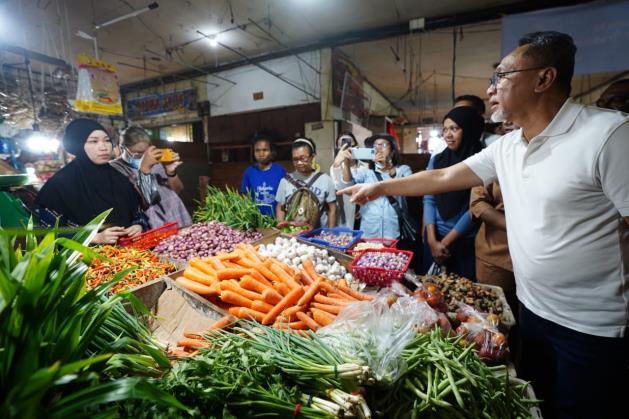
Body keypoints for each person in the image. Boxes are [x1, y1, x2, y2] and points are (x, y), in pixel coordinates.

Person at [339, 31, 629, 419]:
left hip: (593, 326)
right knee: (539, 403)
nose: (491, 90)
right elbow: (443, 178)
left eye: (502, 77)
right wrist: (379, 186)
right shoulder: (508, 147)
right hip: (531, 311)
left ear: (543, 79)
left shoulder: (607, 135)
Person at [35, 119, 146, 244]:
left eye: (107, 140)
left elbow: (138, 213)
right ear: (79, 144)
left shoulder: (119, 179)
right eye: (94, 141)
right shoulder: (59, 185)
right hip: (84, 260)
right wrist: (94, 238)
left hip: (130, 256)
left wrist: (138, 226)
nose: (103, 147)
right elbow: (48, 232)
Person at [422, 107, 484, 280]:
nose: (448, 134)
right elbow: (429, 198)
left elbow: (475, 207)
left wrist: (445, 242)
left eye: (454, 128)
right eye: (445, 129)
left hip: (463, 241)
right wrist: (432, 240)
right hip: (433, 238)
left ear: (469, 130)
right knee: (429, 293)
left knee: (461, 298)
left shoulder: (481, 161)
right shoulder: (438, 160)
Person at [110, 126, 191, 229]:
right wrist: (145, 168)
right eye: (138, 153)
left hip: (176, 215)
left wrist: (171, 172)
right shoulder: (115, 168)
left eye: (146, 152)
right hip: (153, 223)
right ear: (122, 148)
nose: (144, 157)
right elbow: (150, 200)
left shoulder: (154, 161)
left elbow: (178, 190)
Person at [339, 134, 412, 239]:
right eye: (375, 146)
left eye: (383, 145)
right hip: (369, 231)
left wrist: (386, 168)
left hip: (393, 231)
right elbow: (348, 186)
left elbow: (407, 186)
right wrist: (346, 164)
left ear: (392, 150)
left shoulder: (403, 170)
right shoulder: (365, 172)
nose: (378, 149)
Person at [276, 138, 337, 228]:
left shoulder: (326, 180)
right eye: (295, 159)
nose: (299, 163)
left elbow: (332, 209)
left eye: (303, 158)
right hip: (293, 235)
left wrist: (331, 233)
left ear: (312, 157)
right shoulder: (285, 181)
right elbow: (280, 208)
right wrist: (281, 230)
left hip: (318, 235)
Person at [240, 134, 286, 217]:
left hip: (277, 220)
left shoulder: (280, 171)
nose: (261, 153)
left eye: (265, 150)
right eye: (257, 150)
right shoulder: (249, 172)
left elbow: (285, 198)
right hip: (256, 220)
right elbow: (245, 197)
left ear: (271, 152)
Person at [330, 132, 365, 229]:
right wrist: (338, 164)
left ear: (356, 146)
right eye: (343, 144)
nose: (347, 147)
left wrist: (362, 209)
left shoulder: (364, 167)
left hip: (363, 212)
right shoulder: (335, 167)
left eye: (350, 143)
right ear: (338, 148)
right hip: (343, 211)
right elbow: (340, 187)